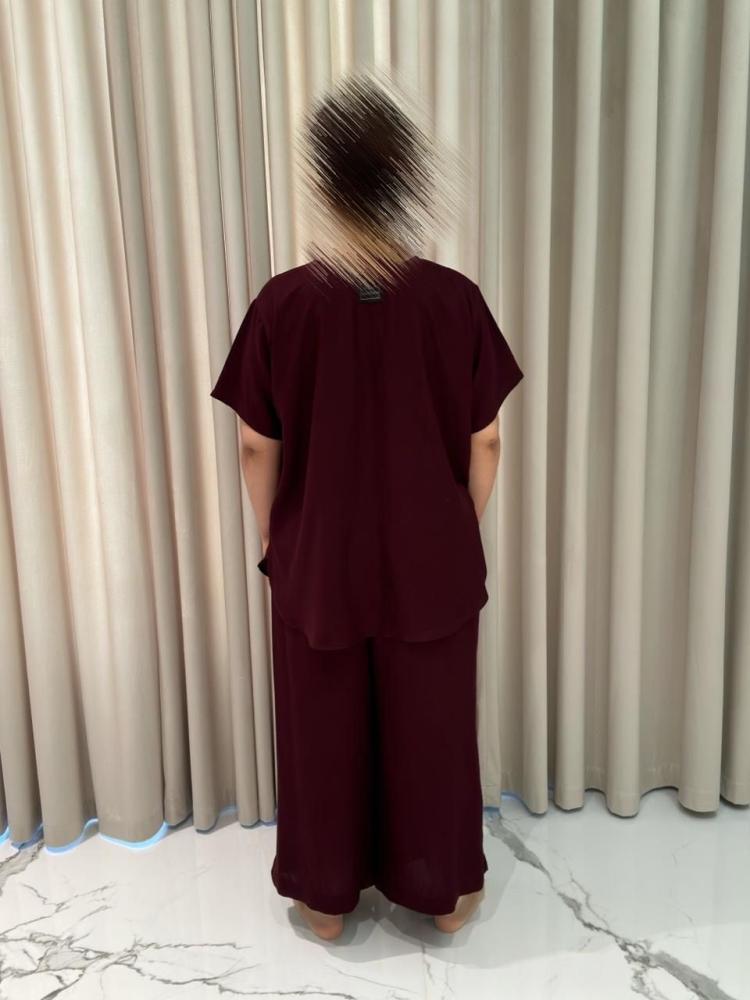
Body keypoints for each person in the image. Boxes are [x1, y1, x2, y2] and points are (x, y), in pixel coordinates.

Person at [209, 73, 523, 941]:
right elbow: (487, 442)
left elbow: (254, 444)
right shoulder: (454, 299)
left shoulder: (283, 304)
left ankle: (324, 901)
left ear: (325, 181)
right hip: (433, 559)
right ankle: (446, 897)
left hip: (318, 561)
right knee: (433, 726)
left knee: (323, 727)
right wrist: (454, 528)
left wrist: (278, 536)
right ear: (404, 180)